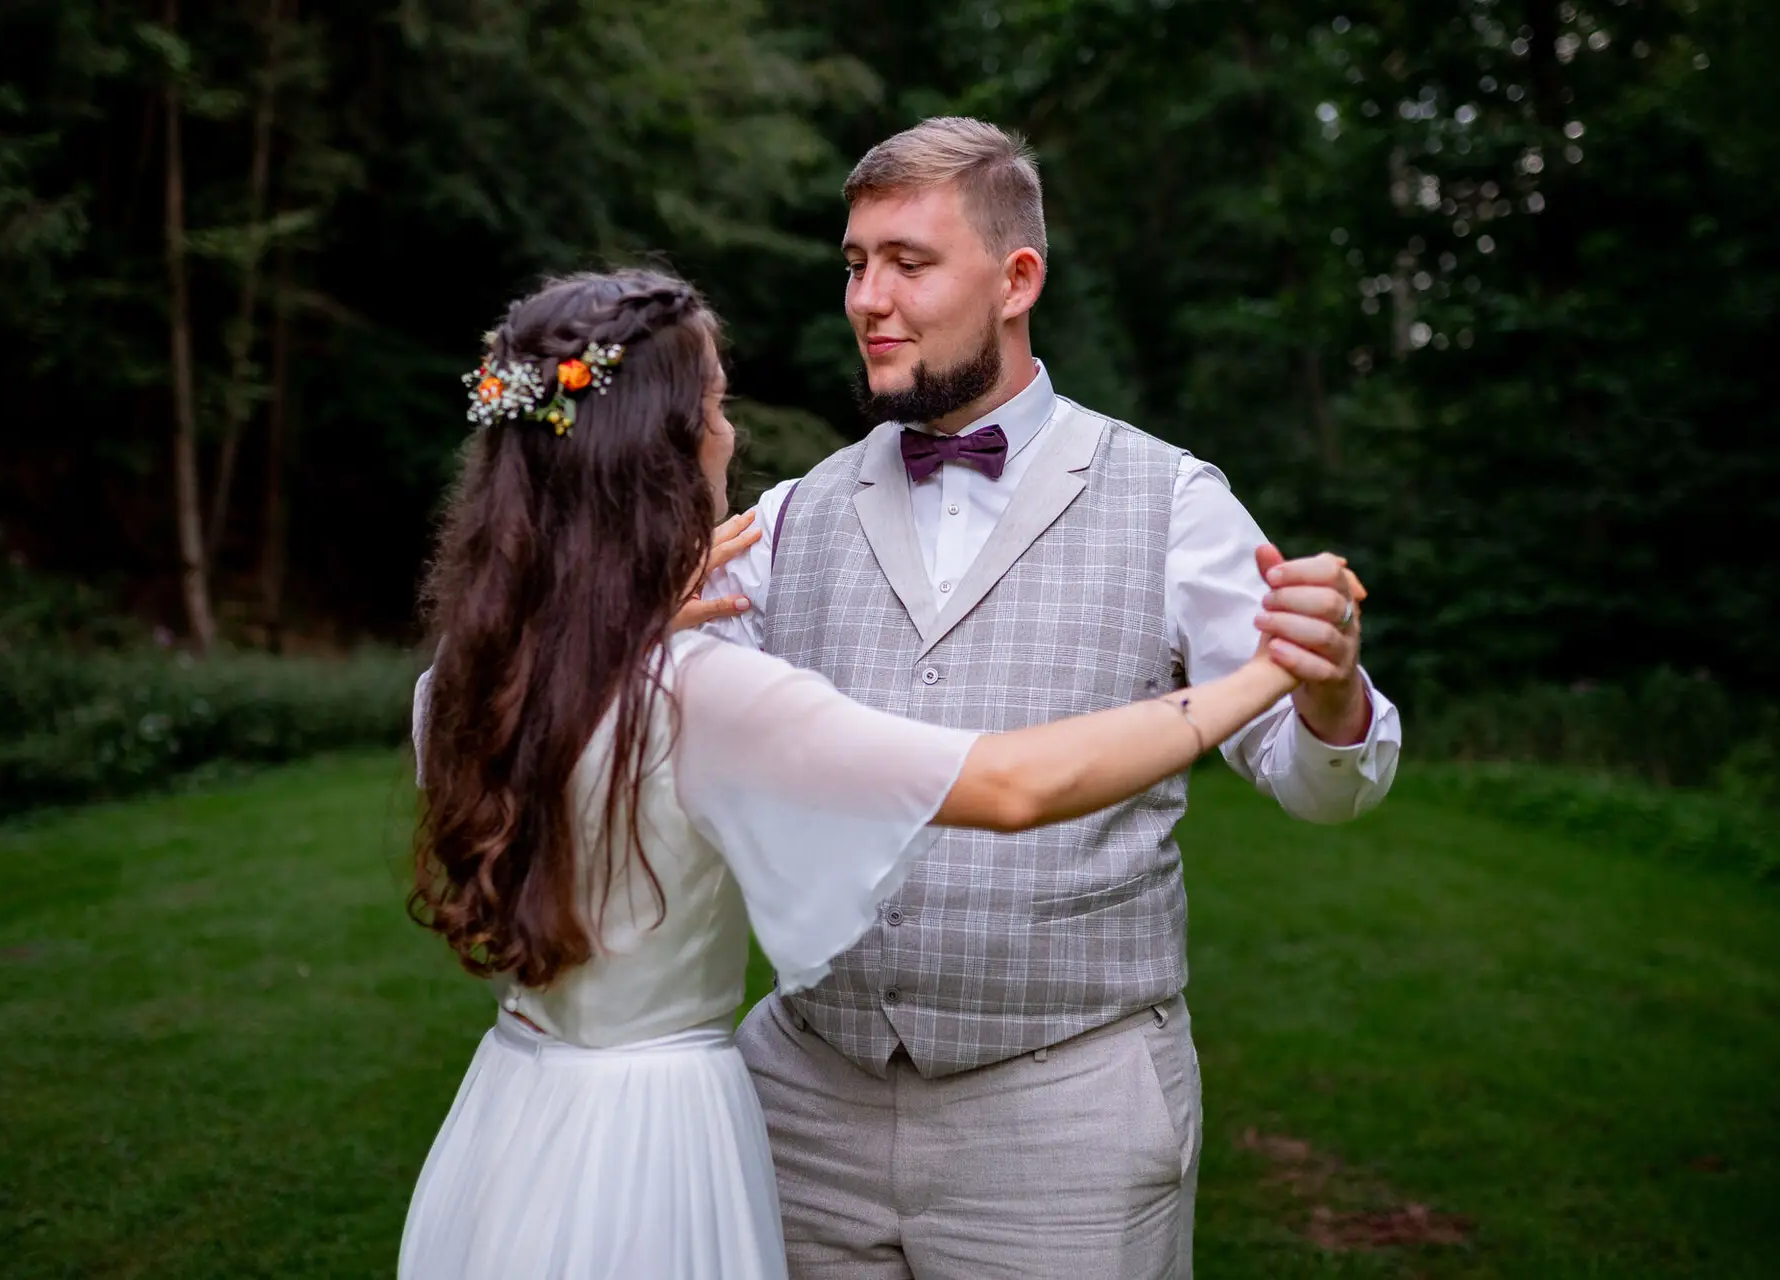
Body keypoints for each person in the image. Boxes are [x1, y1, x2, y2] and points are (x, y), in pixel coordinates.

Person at [398, 267, 1304, 1280]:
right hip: (661, 1147)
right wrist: (1265, 673)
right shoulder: (704, 692)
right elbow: (1011, 784)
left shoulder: (464, 688)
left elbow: (580, 677)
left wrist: (630, 609)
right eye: (715, 406)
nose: (729, 433)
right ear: (660, 454)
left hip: (509, 1128)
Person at [698, 117, 1403, 1278]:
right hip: (801, 1107)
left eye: (909, 263)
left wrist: (1327, 690)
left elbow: (1326, 781)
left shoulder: (1170, 500)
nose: (869, 298)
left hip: (1065, 1118)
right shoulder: (788, 517)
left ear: (1017, 277)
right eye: (855, 263)